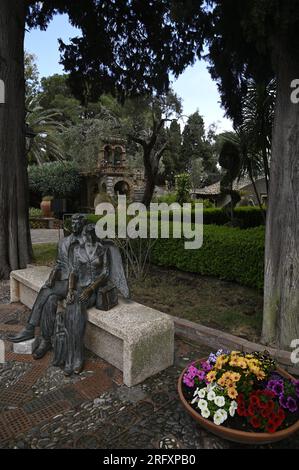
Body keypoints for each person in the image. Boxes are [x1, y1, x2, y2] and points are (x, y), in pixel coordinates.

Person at [7, 214, 86, 360]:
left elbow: (87, 269)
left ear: (83, 224)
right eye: (73, 222)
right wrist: (51, 278)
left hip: (78, 285)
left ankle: (30, 328)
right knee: (50, 299)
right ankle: (46, 340)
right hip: (62, 282)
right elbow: (59, 264)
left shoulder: (88, 243)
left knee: (46, 290)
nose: (75, 225)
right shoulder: (63, 242)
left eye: (78, 223)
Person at [63, 223, 110, 375]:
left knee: (75, 306)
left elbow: (105, 274)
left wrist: (90, 289)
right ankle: (72, 356)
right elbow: (73, 272)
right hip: (79, 290)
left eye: (91, 234)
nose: (88, 237)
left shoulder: (103, 250)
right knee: (73, 305)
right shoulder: (78, 250)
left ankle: (75, 357)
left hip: (95, 291)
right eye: (86, 234)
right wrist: (70, 290)